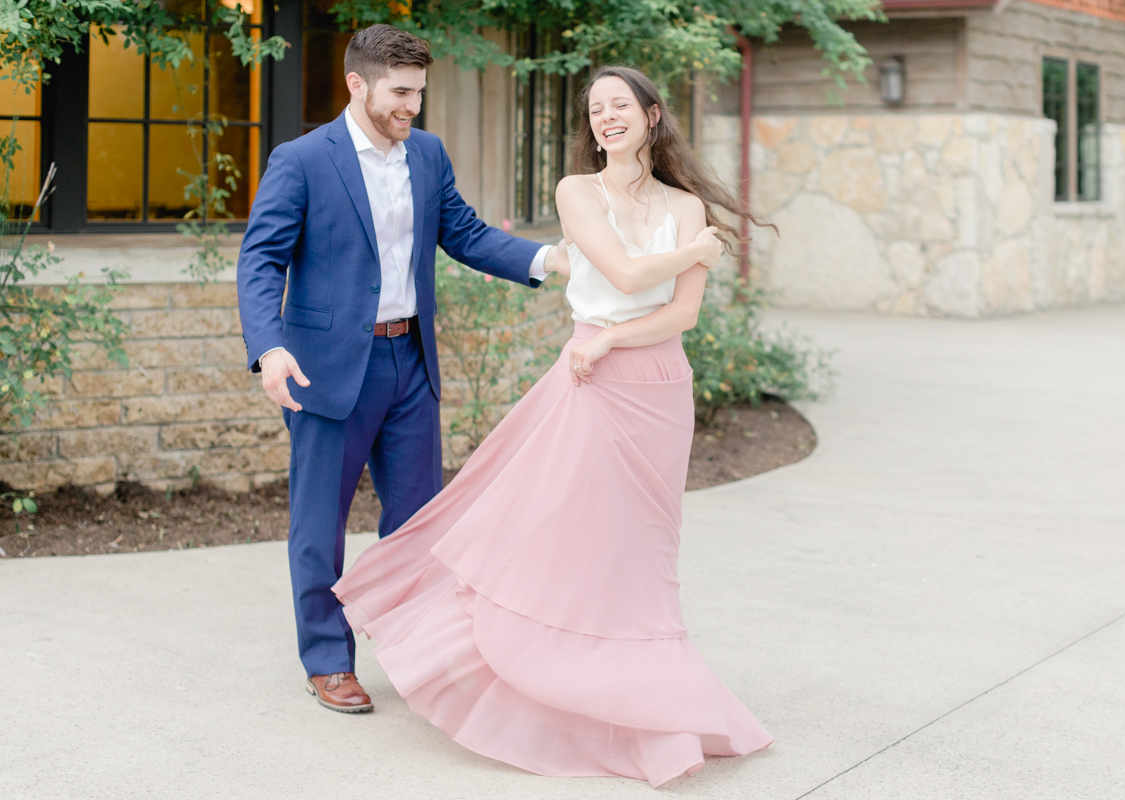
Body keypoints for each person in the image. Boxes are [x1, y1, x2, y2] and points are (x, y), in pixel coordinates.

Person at [332, 65, 773, 787]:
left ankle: (649, 705)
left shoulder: (685, 206)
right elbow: (626, 277)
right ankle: (547, 687)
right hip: (592, 389)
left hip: (657, 389)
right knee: (563, 539)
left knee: (643, 556)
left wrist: (611, 340)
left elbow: (681, 315)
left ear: (653, 115)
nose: (606, 117)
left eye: (620, 105)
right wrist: (685, 263)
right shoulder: (578, 192)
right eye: (596, 108)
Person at [236, 25, 565, 713]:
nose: (411, 105)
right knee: (318, 524)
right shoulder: (301, 160)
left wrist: (545, 260)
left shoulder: (427, 156)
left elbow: (465, 233)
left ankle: (421, 658)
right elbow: (260, 259)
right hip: (324, 372)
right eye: (400, 92)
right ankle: (327, 659)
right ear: (357, 84)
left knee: (419, 523)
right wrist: (270, 348)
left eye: (418, 92)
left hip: (411, 362)